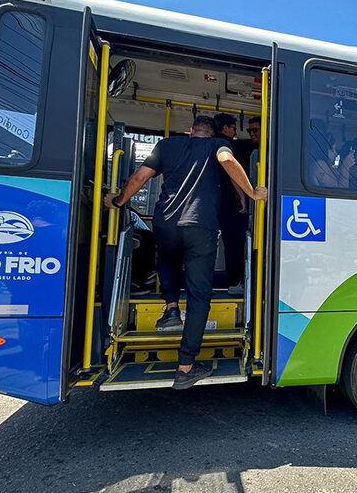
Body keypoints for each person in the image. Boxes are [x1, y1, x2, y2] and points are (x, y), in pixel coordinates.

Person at [104, 115, 267, 390]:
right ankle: (185, 366)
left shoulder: (167, 145)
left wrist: (118, 201)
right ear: (213, 133)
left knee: (165, 257)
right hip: (200, 228)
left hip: (165, 223)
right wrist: (252, 193)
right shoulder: (217, 146)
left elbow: (140, 177)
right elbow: (228, 161)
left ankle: (170, 308)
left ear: (190, 131)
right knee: (199, 296)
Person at [214, 113, 249, 295]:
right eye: (234, 128)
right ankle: (235, 281)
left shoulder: (206, 145)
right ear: (226, 128)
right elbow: (231, 171)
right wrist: (243, 194)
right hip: (226, 200)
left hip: (209, 201)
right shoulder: (225, 145)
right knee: (234, 242)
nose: (235, 132)